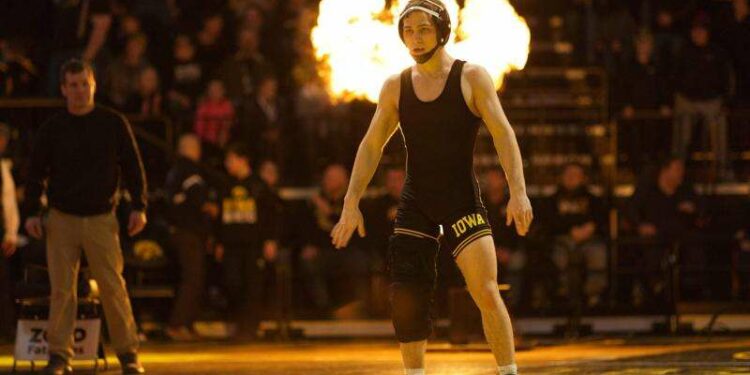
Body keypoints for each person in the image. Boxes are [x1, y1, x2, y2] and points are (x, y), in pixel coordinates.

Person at [329, 2, 533, 374]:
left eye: (423, 29)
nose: (415, 38)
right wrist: (350, 202)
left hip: (460, 199)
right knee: (407, 295)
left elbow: (503, 133)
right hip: (417, 201)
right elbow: (371, 144)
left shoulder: (472, 77)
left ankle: (508, 372)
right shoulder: (396, 85)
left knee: (486, 291)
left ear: (442, 31)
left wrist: (518, 191)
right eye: (408, 31)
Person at [24, 59, 147, 375]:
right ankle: (59, 356)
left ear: (94, 86)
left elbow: (134, 167)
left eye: (85, 84)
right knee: (62, 291)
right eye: (73, 85)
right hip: (62, 218)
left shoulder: (112, 122)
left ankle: (128, 354)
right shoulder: (52, 128)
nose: (80, 91)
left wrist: (139, 206)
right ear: (63, 89)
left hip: (101, 218)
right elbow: (35, 173)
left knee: (112, 287)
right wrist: (32, 213)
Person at [216, 143, 277, 340]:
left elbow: (271, 215)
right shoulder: (226, 185)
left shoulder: (259, 185)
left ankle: (249, 327)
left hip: (253, 244)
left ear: (243, 160)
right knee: (233, 283)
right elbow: (221, 217)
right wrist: (219, 241)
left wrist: (270, 240)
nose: (228, 164)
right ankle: (237, 324)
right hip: (232, 245)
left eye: (231, 159)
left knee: (253, 285)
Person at [163, 134, 216, 341]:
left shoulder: (174, 171)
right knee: (193, 279)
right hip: (189, 232)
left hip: (178, 231)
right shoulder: (191, 171)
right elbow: (197, 200)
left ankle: (187, 323)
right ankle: (177, 325)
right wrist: (210, 208)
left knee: (191, 278)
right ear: (192, 149)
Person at [0, 123, 19, 342]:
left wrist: (11, 233)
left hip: (1, 230)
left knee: (3, 285)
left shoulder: (3, 168)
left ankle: (5, 329)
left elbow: (8, 202)